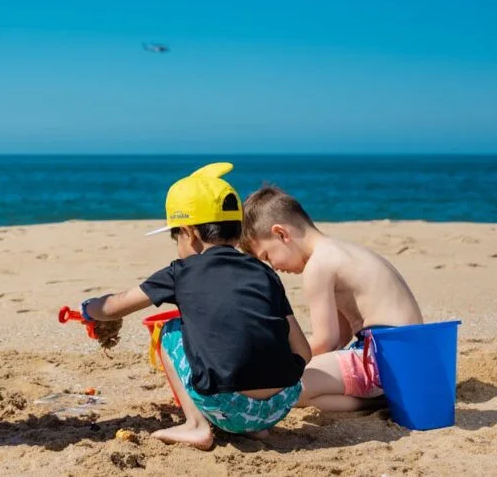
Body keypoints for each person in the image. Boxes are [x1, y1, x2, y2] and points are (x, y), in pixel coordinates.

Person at [79, 164, 310, 449]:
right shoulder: (265, 273)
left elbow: (115, 306)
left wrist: (89, 309)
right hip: (281, 403)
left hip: (229, 405)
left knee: (171, 330)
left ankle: (197, 425)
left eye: (175, 236)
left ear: (188, 233)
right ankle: (254, 428)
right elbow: (303, 351)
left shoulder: (181, 272)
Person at [241, 185, 424, 412]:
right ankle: (381, 400)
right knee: (304, 381)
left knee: (287, 390)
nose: (274, 268)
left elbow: (325, 341)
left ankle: (378, 403)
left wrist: (283, 364)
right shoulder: (341, 251)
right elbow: (342, 334)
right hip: (411, 357)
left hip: (384, 360)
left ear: (281, 234)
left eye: (267, 256)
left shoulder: (318, 266)